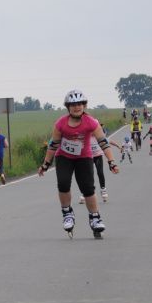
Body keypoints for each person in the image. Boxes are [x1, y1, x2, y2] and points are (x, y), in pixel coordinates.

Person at [37, 89, 118, 237]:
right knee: (63, 183)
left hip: (84, 157)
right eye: (73, 104)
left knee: (88, 188)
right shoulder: (61, 123)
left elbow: (103, 142)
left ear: (84, 106)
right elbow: (53, 145)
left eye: (80, 104)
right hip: (64, 157)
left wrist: (111, 161)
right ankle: (67, 213)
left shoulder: (91, 122)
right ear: (68, 107)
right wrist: (45, 164)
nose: (77, 107)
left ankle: (95, 217)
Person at [79, 132, 122, 204]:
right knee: (89, 174)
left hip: (98, 156)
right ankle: (85, 192)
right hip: (89, 157)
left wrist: (118, 146)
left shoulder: (99, 136)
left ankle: (103, 190)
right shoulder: (86, 136)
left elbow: (110, 142)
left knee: (100, 172)